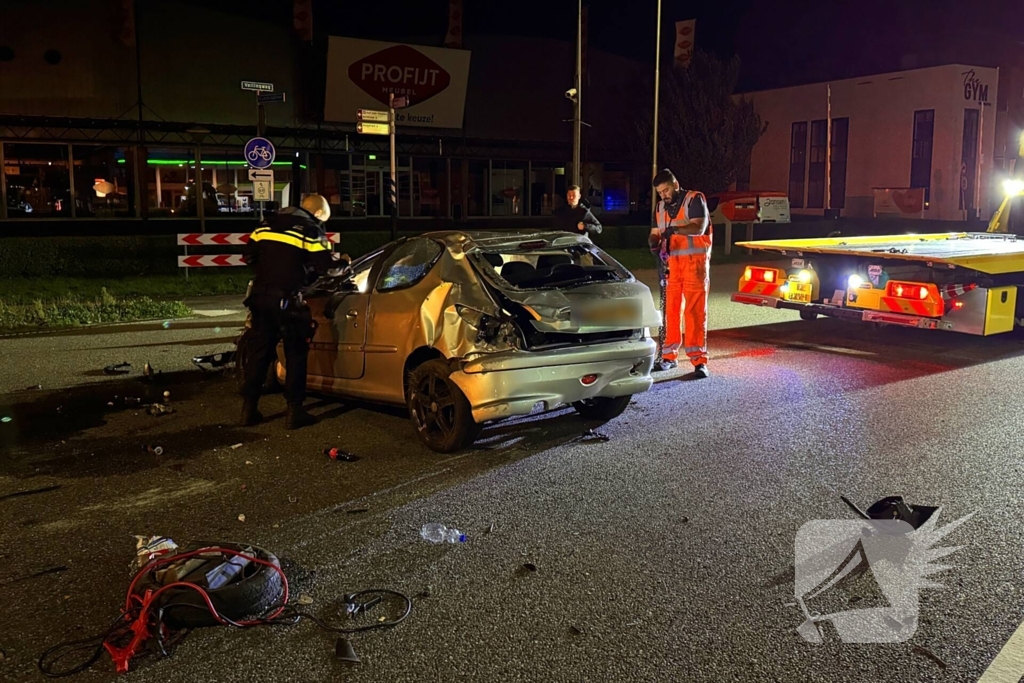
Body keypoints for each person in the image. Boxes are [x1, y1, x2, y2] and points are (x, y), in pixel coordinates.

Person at [240, 194, 346, 429]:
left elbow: (248, 256)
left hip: (260, 298)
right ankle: (294, 411)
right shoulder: (310, 230)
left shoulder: (265, 224)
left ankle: (249, 409)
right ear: (318, 214)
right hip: (288, 301)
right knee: (296, 353)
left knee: (259, 353)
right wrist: (343, 265)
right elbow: (326, 267)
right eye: (323, 220)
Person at [648, 169, 711, 379]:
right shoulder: (660, 208)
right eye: (660, 193)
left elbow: (699, 227)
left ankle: (699, 361)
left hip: (695, 265)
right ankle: (668, 356)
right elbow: (655, 234)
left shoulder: (694, 198)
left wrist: (674, 231)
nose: (663, 196)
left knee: (695, 313)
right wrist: (653, 244)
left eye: (665, 190)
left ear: (675, 185)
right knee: (670, 312)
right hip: (671, 266)